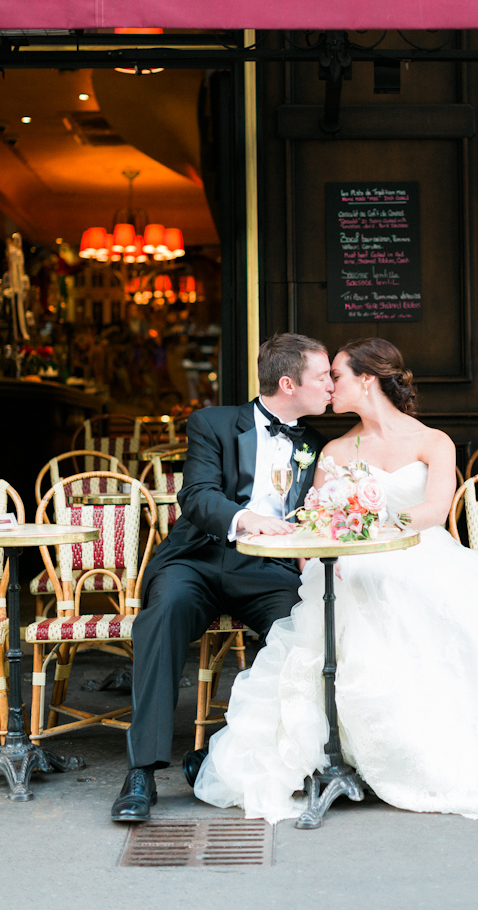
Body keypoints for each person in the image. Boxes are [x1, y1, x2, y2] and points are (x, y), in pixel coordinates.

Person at [193, 338, 478, 822]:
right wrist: (329, 549)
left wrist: (378, 527)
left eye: (337, 377)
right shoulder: (333, 448)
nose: (329, 386)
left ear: (366, 380)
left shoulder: (433, 442)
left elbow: (435, 509)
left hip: (420, 556)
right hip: (351, 566)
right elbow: (314, 518)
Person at [111, 333, 332, 822]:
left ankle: (222, 758)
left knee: (301, 634)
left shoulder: (317, 445)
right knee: (163, 615)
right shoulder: (212, 423)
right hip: (199, 559)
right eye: (323, 378)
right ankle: (141, 773)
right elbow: (197, 496)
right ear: (289, 382)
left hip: (268, 569)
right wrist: (243, 518)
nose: (332, 387)